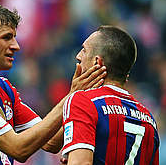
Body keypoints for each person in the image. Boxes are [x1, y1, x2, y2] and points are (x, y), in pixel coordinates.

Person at [0, 1, 107, 165]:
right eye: (7, 37)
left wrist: (78, 100)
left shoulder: (4, 89)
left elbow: (51, 142)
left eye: (14, 37)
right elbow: (19, 149)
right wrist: (70, 98)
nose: (16, 46)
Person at [61, 26, 160, 165]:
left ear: (97, 63)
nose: (78, 56)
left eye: (84, 50)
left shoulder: (83, 102)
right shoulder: (149, 120)